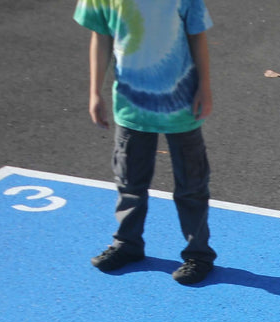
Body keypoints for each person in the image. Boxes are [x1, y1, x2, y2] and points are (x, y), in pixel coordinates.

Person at [76, 0, 217, 285]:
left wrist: (204, 86)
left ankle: (198, 254)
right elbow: (100, 36)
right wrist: (94, 92)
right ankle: (127, 244)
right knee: (129, 182)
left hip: (181, 103)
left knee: (192, 185)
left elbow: (196, 34)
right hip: (131, 105)